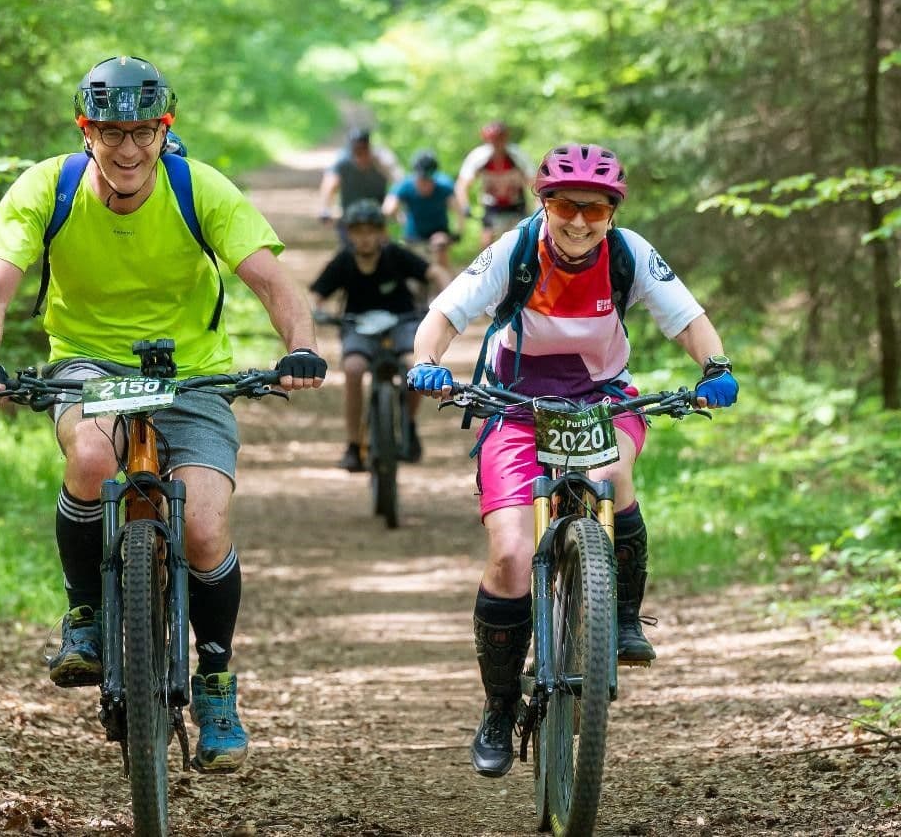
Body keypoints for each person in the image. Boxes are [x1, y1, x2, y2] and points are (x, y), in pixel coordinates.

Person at [0, 55, 328, 773]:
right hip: (89, 366)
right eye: (110, 132)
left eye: (142, 133)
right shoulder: (48, 187)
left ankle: (216, 680)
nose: (128, 150)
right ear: (84, 130)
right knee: (92, 459)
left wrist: (301, 349)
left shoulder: (198, 188)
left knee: (205, 526)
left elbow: (272, 283)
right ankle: (86, 616)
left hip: (192, 374)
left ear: (165, 129)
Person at [407, 143, 738, 778]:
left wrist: (715, 368)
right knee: (508, 555)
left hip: (602, 401)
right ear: (545, 204)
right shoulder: (515, 249)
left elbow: (688, 319)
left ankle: (619, 620)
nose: (579, 221)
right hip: (515, 406)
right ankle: (500, 707)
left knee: (614, 477)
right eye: (565, 205)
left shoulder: (630, 254)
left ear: (612, 212)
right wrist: (427, 362)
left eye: (595, 208)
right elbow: (445, 313)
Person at [310, 199, 450, 472]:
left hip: (402, 323)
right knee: (353, 368)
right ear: (349, 234)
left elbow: (434, 271)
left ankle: (408, 424)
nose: (364, 238)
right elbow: (316, 294)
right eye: (358, 231)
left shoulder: (395, 255)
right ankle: (353, 445)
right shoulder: (343, 262)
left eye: (370, 231)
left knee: (415, 366)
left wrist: (445, 298)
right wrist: (317, 310)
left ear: (381, 233)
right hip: (357, 326)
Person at [454, 121, 536, 249]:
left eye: (500, 139)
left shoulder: (518, 155)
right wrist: (465, 205)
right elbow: (462, 185)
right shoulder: (478, 157)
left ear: (506, 138)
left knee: (524, 241)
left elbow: (534, 184)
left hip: (516, 204)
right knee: (487, 241)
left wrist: (538, 205)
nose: (496, 143)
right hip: (492, 206)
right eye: (492, 140)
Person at [382, 149, 465, 270]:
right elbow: (388, 209)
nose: (425, 182)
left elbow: (459, 210)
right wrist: (400, 217)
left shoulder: (444, 186)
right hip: (414, 236)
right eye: (422, 178)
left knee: (440, 249)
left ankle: (446, 284)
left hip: (439, 232)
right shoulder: (406, 185)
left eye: (429, 178)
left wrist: (456, 234)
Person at [318, 127, 403, 245]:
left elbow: (399, 183)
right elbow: (330, 182)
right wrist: (325, 208)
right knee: (346, 253)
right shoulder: (343, 160)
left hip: (377, 215)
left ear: (369, 147)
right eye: (356, 151)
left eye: (364, 149)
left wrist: (393, 204)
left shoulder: (382, 159)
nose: (360, 155)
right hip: (349, 217)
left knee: (386, 250)